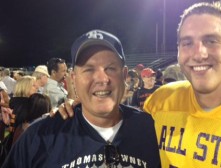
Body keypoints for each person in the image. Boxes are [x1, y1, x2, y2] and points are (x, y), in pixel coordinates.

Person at [56, 2, 221, 167]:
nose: (199, 53)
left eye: (211, 41)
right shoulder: (162, 101)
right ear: (179, 52)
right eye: (187, 43)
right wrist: (78, 109)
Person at [2, 29, 161, 167]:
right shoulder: (39, 136)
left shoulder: (151, 129)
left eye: (110, 68)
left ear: (124, 75)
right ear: (74, 79)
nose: (102, 79)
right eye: (89, 69)